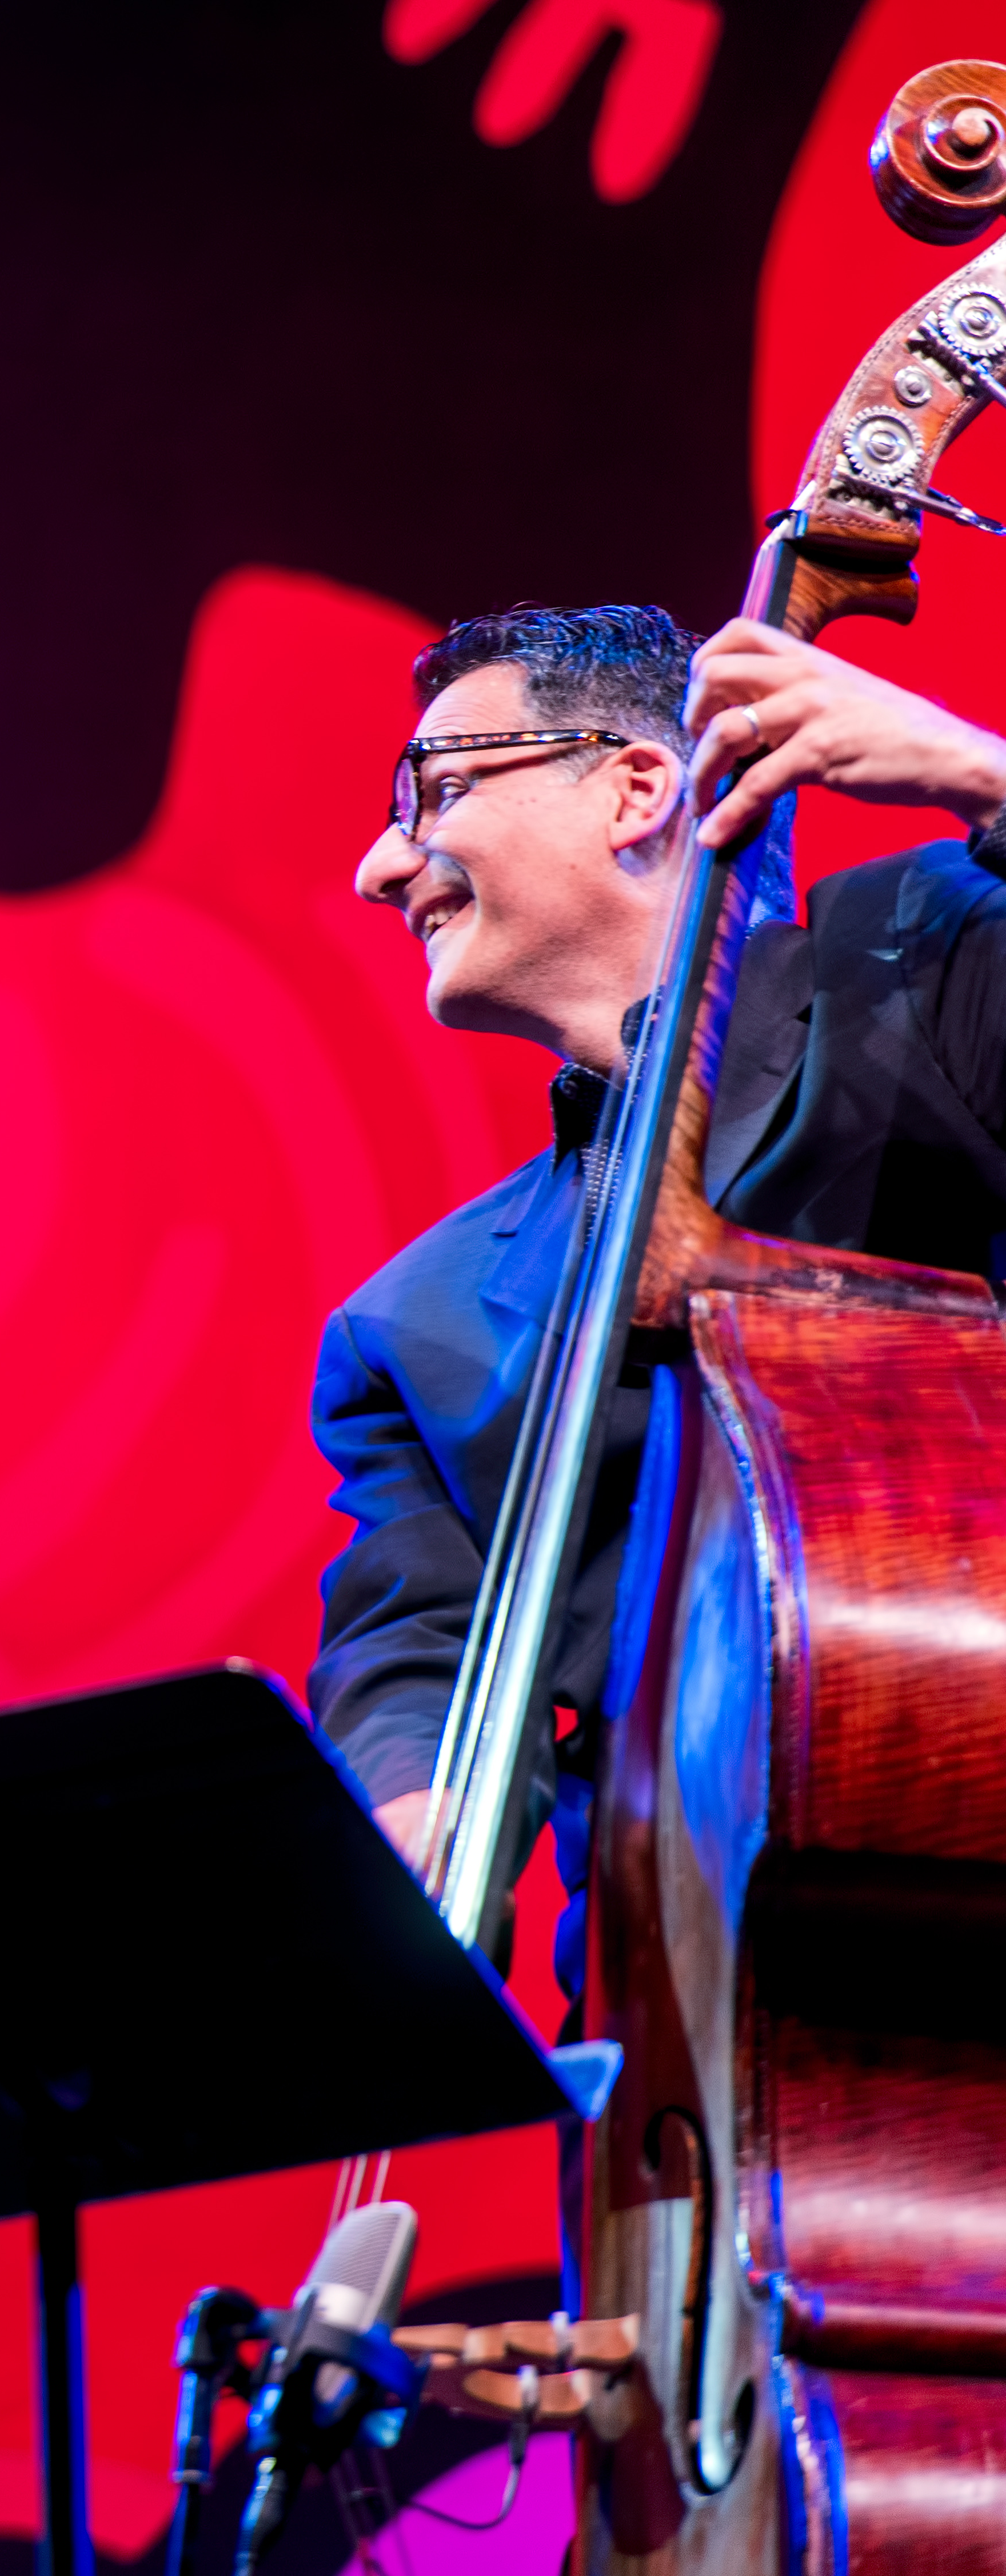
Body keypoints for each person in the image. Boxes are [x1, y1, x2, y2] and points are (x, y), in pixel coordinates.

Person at [309, 604, 1006, 1975]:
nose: (379, 865)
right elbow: (421, 1642)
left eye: (435, 792)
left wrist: (986, 775)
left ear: (640, 788)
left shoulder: (922, 965)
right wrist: (416, 1804)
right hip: (676, 2011)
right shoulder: (415, 1319)